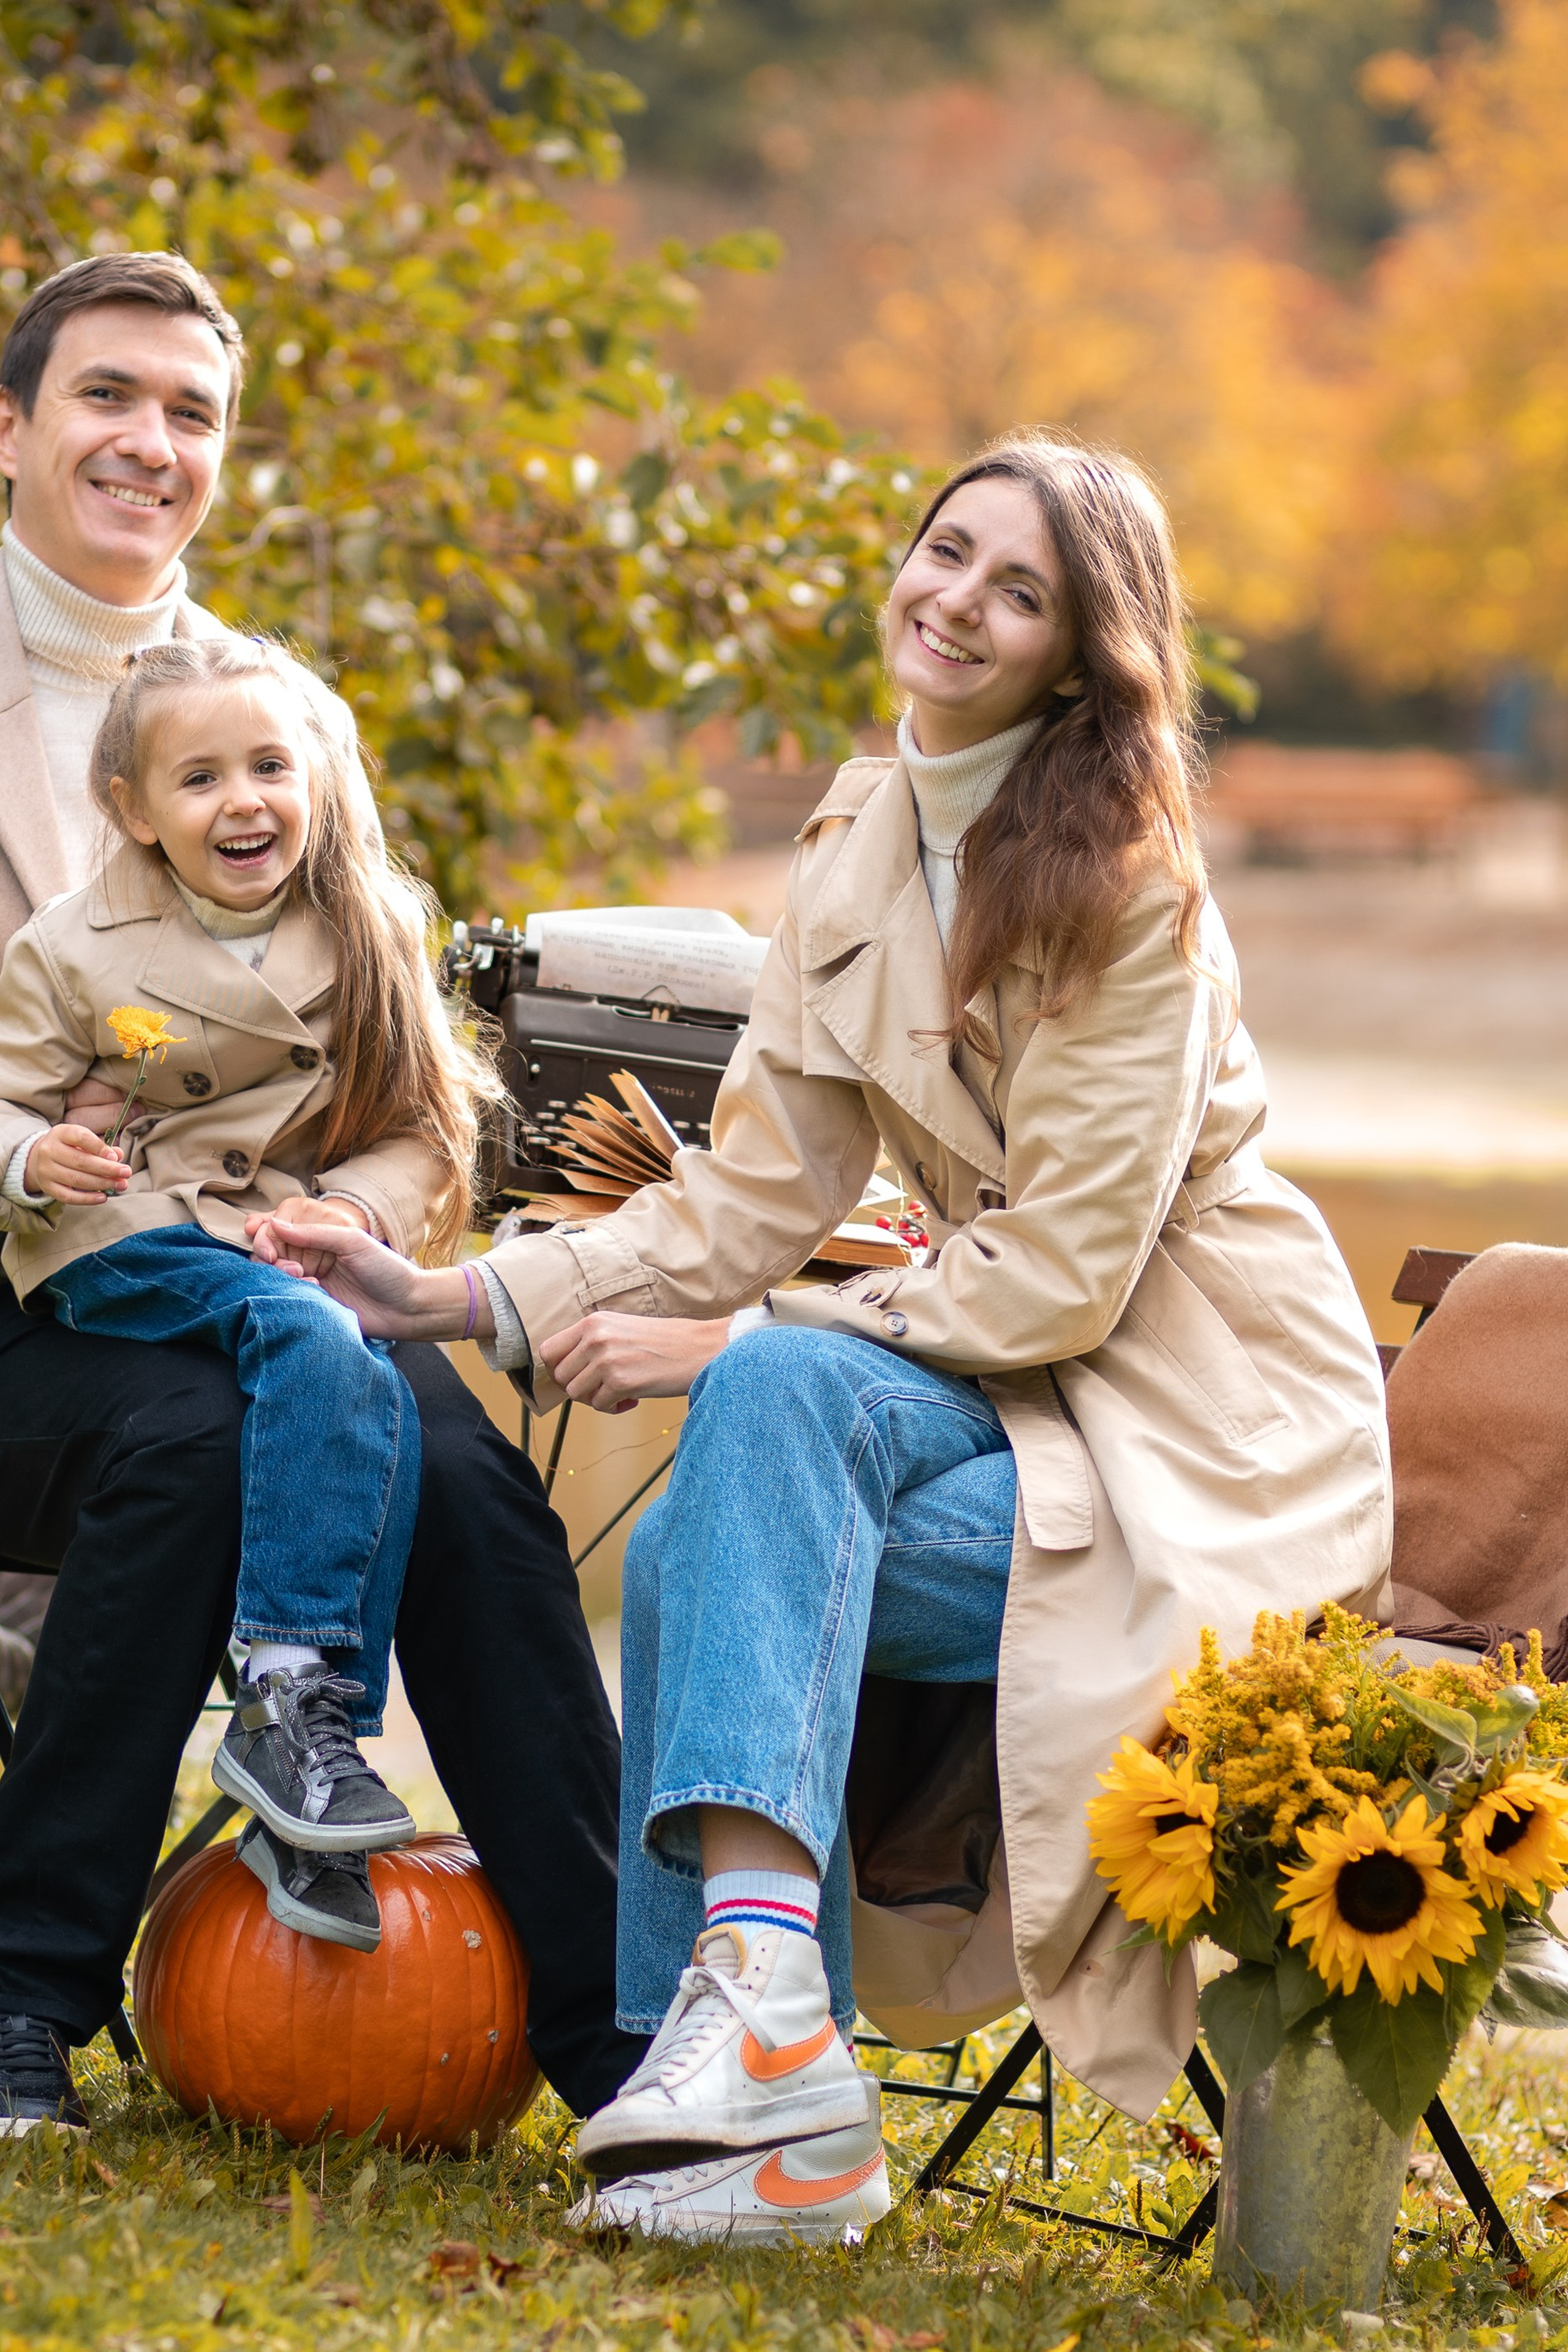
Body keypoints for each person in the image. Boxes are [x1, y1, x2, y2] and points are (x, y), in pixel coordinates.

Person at [268, 433, 1393, 2245]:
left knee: (766, 1417)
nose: (956, 601)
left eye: (1018, 590)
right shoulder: (864, 836)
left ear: (1082, 655)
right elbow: (740, 1201)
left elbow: (1066, 1283)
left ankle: (714, 2058)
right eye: (949, 553)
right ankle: (752, 2047)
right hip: (993, 1405)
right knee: (772, 1435)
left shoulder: (1135, 890)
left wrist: (736, 1341)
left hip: (1198, 1427)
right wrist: (456, 1294)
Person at [0, 252, 643, 2135]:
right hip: (33, 1285)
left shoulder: (272, 726)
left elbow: (408, 1071)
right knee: (193, 1446)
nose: (150, 442)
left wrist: (356, 1222)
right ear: (15, 429)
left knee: (449, 1466)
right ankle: (27, 1991)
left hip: (269, 1279)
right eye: (108, 396)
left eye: (190, 411)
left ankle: (622, 2043)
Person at [0, 633, 504, 1947]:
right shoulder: (76, 942)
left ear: (317, 779)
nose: (245, 802)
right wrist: (31, 1154)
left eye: (271, 766)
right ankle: (294, 1690)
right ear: (135, 811)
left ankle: (302, 1760)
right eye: (202, 777)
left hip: (277, 1238)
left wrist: (356, 1206)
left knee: (352, 1381)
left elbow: (420, 1125)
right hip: (121, 1240)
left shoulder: (368, 929)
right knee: (322, 1346)